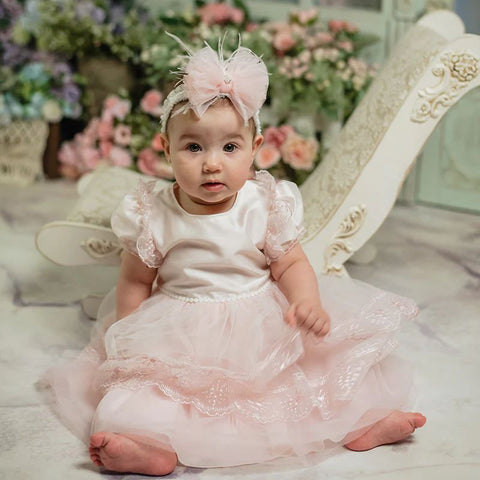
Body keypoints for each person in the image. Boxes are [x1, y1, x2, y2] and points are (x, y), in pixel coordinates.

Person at [43, 40, 426, 476]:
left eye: (229, 148)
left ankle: (363, 423)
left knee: (318, 373)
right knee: (148, 391)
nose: (211, 164)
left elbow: (292, 264)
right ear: (165, 149)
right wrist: (126, 339)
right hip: (180, 327)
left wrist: (307, 302)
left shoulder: (264, 203)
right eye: (193, 148)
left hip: (261, 320)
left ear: (255, 147)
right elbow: (135, 280)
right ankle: (149, 445)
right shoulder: (153, 212)